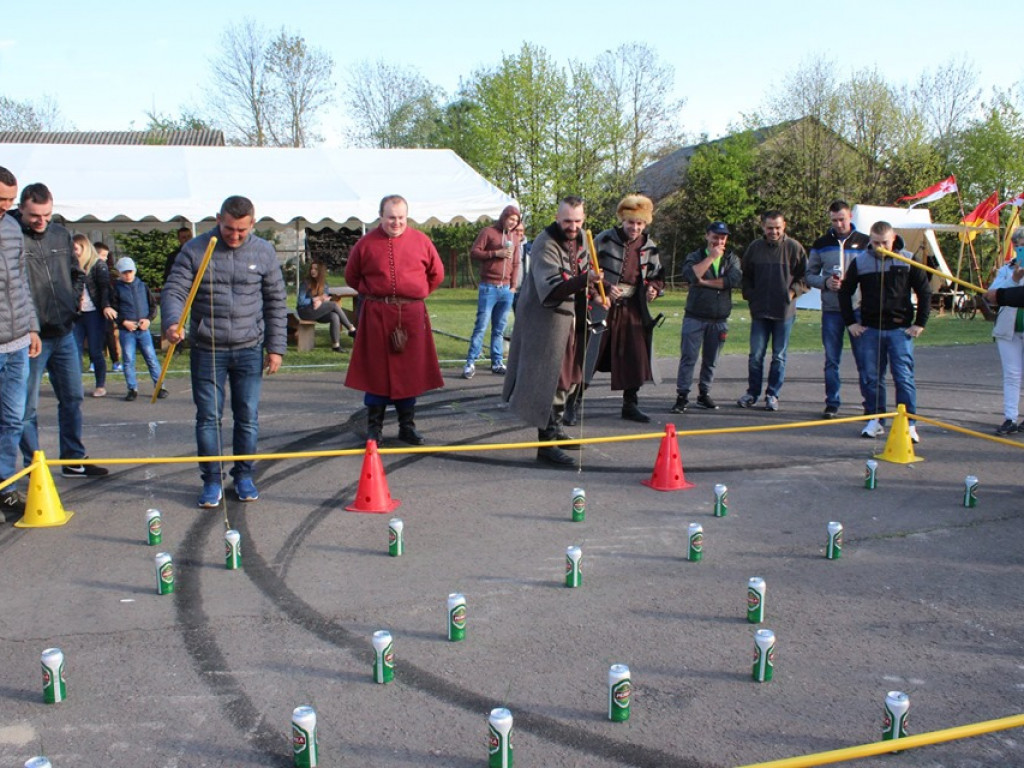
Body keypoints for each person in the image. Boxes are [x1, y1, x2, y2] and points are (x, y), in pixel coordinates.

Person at [162, 196, 287, 507]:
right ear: (218, 218)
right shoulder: (195, 249)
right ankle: (211, 480)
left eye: (242, 231)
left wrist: (276, 348)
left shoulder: (264, 251)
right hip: (208, 348)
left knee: (248, 417)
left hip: (249, 348)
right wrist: (172, 322)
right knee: (208, 417)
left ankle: (244, 475)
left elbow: (275, 301)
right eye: (229, 228)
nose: (234, 236)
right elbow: (175, 288)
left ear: (253, 224)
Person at [502, 196, 607, 467]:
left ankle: (557, 430)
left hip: (572, 317)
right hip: (544, 321)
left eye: (577, 221)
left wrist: (597, 293)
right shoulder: (543, 243)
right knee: (549, 378)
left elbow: (584, 272)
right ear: (558, 218)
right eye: (567, 221)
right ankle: (545, 443)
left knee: (570, 376)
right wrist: (586, 280)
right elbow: (552, 286)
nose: (573, 227)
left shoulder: (583, 238)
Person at [13, 184, 108, 477]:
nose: (41, 221)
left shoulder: (60, 234)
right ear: (21, 209)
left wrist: (74, 302)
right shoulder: (11, 234)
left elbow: (76, 271)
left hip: (65, 329)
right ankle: (34, 466)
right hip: (31, 335)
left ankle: (73, 458)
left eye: (47, 215)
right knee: (26, 407)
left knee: (73, 397)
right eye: (34, 216)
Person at [345, 195, 444, 446]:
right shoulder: (365, 244)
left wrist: (413, 295)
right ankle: (374, 428)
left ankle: (407, 426)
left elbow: (436, 274)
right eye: (391, 217)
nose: (396, 222)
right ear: (381, 216)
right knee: (376, 373)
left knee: (409, 374)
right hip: (377, 315)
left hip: (411, 317)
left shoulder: (422, 241)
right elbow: (352, 277)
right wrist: (379, 296)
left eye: (401, 217)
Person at [839, 221, 930, 443]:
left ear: (893, 239)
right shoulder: (861, 262)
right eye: (876, 243)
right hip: (870, 329)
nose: (880, 248)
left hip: (900, 329)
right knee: (872, 377)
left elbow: (924, 291)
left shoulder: (907, 258)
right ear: (870, 240)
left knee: (904, 377)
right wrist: (851, 322)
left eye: (885, 243)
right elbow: (845, 291)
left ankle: (909, 424)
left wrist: (920, 323)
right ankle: (876, 419)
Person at [592, 194, 665, 422]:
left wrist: (653, 289)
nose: (634, 227)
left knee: (635, 356)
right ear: (623, 219)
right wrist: (604, 286)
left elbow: (657, 276)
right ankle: (572, 403)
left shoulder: (649, 247)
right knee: (591, 353)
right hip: (604, 306)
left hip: (634, 308)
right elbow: (586, 270)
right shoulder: (603, 239)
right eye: (631, 222)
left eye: (639, 223)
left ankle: (630, 404)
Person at [0, 167, 41, 519]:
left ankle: (6, 487)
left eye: (11, 199)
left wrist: (32, 327)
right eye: (2, 199)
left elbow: (21, 283)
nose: (7, 206)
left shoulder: (12, 227)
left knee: (13, 419)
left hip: (16, 342)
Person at [806, 200, 871, 419]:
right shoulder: (822, 243)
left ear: (850, 217)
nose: (839, 224)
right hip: (832, 310)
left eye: (842, 219)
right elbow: (809, 275)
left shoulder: (865, 242)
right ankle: (832, 403)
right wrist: (826, 283)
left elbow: (874, 272)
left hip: (858, 309)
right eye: (834, 220)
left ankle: (869, 403)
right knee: (832, 359)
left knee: (863, 358)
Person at [737, 210, 808, 411]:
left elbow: (805, 276)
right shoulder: (755, 248)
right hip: (760, 311)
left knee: (779, 356)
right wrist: (751, 295)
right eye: (770, 228)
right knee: (756, 355)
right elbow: (746, 276)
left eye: (777, 227)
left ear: (784, 225)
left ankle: (772, 394)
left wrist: (792, 293)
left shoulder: (794, 248)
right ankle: (752, 393)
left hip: (784, 312)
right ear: (763, 227)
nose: (774, 231)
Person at [672, 221, 742, 413]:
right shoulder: (695, 256)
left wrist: (704, 282)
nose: (719, 241)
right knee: (689, 358)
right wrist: (711, 258)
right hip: (695, 316)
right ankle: (682, 395)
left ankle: (704, 393)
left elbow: (733, 281)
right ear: (707, 236)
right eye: (715, 237)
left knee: (711, 360)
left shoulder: (731, 259)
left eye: (723, 237)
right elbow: (691, 276)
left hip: (719, 319)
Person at [462, 205, 521, 378]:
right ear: (504, 217)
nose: (513, 223)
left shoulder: (515, 238)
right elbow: (475, 252)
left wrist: (513, 285)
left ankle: (497, 362)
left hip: (506, 289)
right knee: (481, 326)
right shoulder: (488, 232)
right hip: (489, 287)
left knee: (499, 329)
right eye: (511, 219)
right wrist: (496, 253)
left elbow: (516, 263)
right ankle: (470, 362)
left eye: (516, 221)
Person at [109, 257, 167, 402]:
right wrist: (123, 322)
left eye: (130, 271)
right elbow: (114, 311)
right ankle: (132, 388)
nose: (127, 275)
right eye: (124, 272)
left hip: (143, 329)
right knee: (128, 359)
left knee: (151, 358)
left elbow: (153, 307)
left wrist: (148, 319)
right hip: (126, 330)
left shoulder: (143, 286)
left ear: (134, 271)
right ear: (119, 273)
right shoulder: (116, 289)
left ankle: (160, 386)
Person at [984, 226, 1024, 434]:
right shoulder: (1007, 268)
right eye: (1018, 247)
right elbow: (992, 295)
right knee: (1012, 374)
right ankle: (1010, 417)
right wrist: (1014, 278)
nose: (1021, 250)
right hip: (1008, 329)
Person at [72, 234, 111, 397]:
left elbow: (105, 288)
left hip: (94, 313)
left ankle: (100, 384)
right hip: (77, 314)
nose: (74, 252)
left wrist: (106, 306)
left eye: (76, 249)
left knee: (95, 350)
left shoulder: (98, 265)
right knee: (75, 350)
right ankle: (75, 385)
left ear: (84, 248)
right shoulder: (71, 265)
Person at [297, 261, 356, 352]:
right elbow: (301, 302)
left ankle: (336, 345)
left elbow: (324, 298)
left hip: (317, 310)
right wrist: (314, 300)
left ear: (320, 271)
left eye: (315, 269)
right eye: (311, 268)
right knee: (333, 305)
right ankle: (351, 328)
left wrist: (321, 300)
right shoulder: (305, 283)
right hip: (305, 311)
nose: (312, 271)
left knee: (334, 316)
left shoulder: (324, 284)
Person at [95, 241, 122, 373]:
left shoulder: (106, 270)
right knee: (95, 336)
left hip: (106, 307)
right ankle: (94, 361)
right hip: (94, 308)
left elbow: (106, 289)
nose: (105, 259)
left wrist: (107, 304)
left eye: (106, 256)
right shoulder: (89, 269)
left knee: (110, 334)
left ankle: (115, 360)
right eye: (103, 255)